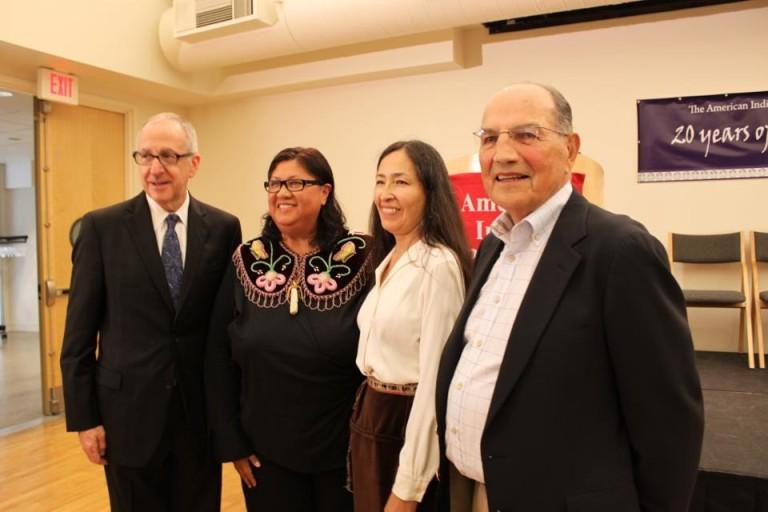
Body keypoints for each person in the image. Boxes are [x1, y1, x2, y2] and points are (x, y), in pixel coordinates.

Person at [435, 83, 704, 512]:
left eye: (526, 135)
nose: (502, 154)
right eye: (489, 138)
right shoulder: (494, 245)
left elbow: (669, 421)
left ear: (571, 148)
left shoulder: (620, 250)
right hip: (482, 493)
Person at [60, 112, 242, 511]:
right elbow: (77, 336)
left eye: (168, 156)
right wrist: (84, 418)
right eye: (144, 157)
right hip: (127, 417)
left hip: (197, 418)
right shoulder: (101, 229)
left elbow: (222, 329)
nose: (155, 169)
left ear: (193, 163)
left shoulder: (224, 228)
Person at [205, 147, 373, 512]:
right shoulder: (246, 259)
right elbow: (217, 355)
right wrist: (232, 442)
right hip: (265, 451)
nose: (282, 192)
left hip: (343, 448)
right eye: (275, 183)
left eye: (296, 182)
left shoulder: (363, 255)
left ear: (325, 191)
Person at [350, 141, 472, 512]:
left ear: (430, 192)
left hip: (405, 423)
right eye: (380, 181)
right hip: (370, 413)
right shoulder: (387, 259)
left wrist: (409, 488)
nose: (386, 194)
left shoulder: (438, 265)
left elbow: (436, 382)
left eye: (401, 182)